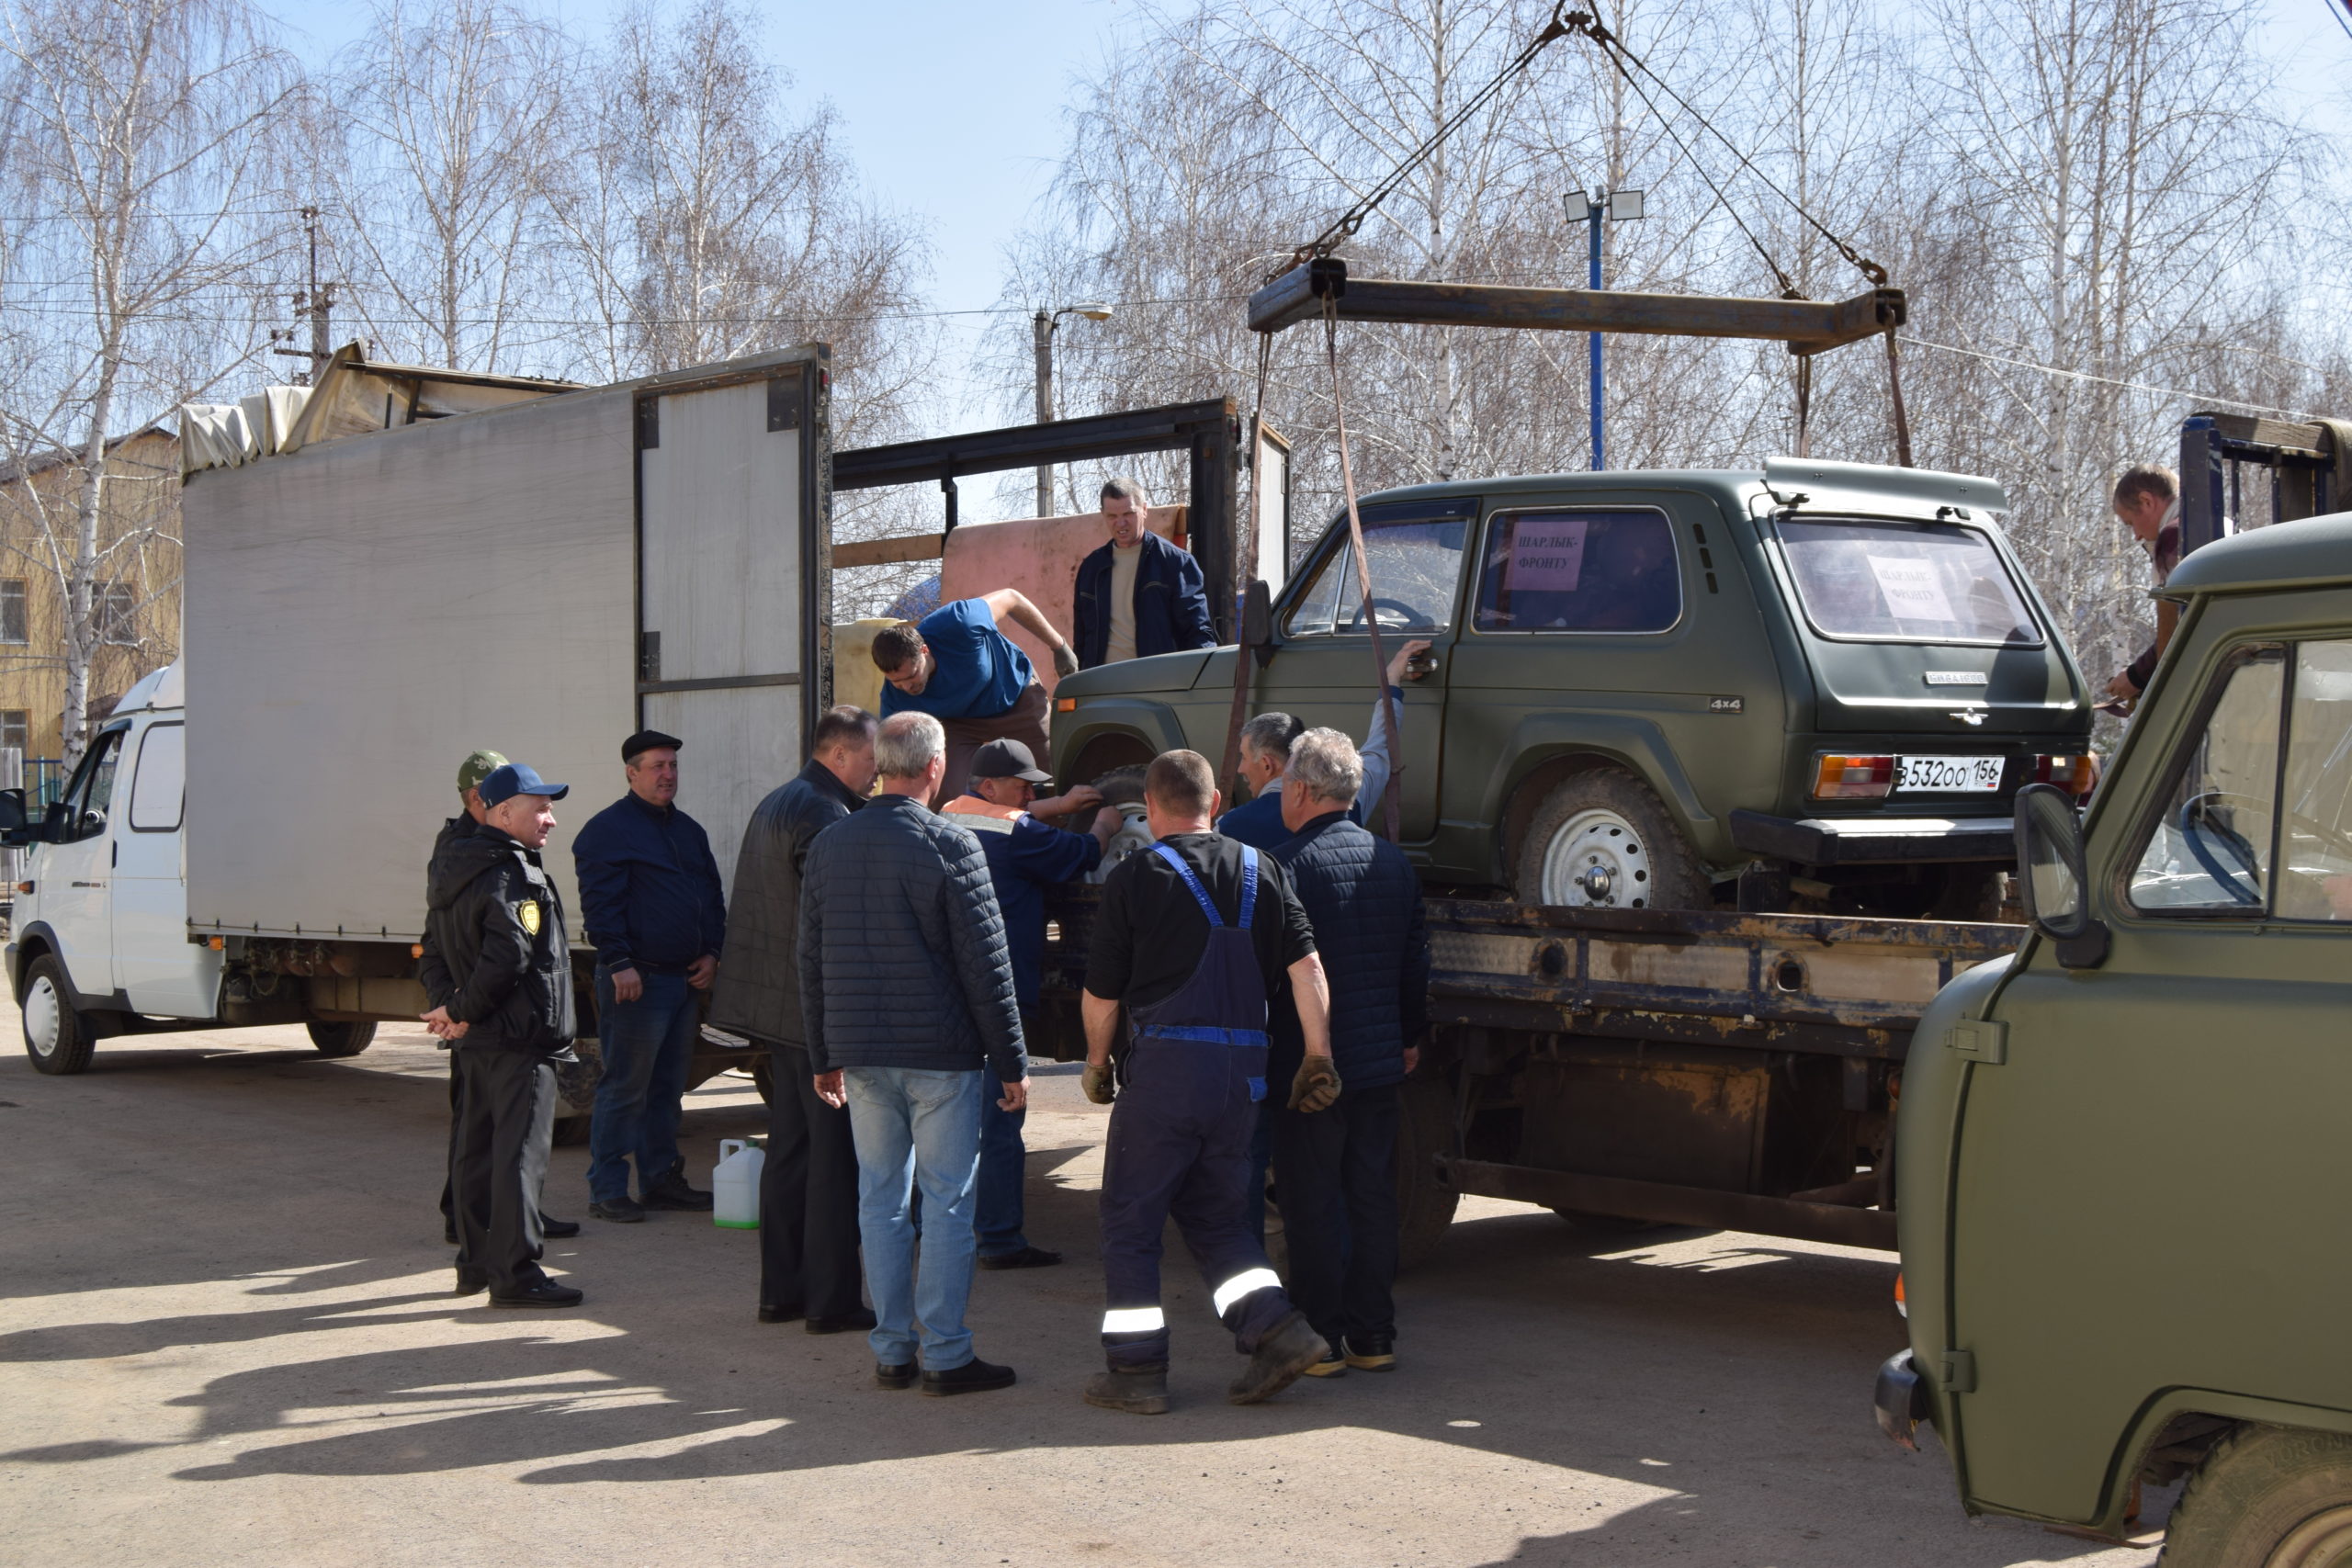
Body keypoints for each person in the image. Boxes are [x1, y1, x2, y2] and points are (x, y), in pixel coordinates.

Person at [1078, 748, 1340, 1416]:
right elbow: (1307, 970)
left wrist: (1097, 1062)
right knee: (1218, 1220)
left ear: (1153, 808)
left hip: (1167, 1075)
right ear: (1215, 802)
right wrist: (1317, 1054)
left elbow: (1102, 996)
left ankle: (1136, 1371)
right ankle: (1279, 1332)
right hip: (1240, 1080)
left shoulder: (1136, 877)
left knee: (1130, 1222)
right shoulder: (1264, 867)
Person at [797, 711, 1029, 1396]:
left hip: (863, 1052)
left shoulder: (831, 844)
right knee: (949, 1201)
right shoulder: (951, 844)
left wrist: (823, 1052)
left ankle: (894, 1349)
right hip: (941, 1054)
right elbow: (989, 965)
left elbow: (809, 959)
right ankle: (947, 1354)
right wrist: (1012, 1061)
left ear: (879, 765)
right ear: (935, 769)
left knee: (882, 1200)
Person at [708, 706, 879, 1334]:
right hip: (814, 1017)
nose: (876, 769)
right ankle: (831, 1300)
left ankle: (781, 1292)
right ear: (839, 753)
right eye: (869, 756)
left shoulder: (782, 800)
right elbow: (828, 927)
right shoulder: (824, 813)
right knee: (832, 1163)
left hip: (780, 1014)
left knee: (790, 1157)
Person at [1267, 728, 1431, 1377]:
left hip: (1310, 1066)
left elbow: (1271, 975)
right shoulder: (1395, 863)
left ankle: (1323, 1337)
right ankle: (1374, 1333)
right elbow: (1414, 965)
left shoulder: (1283, 866)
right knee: (1370, 1194)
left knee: (1310, 1199)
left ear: (1302, 789)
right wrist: (1409, 1037)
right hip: (1378, 1061)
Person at [941, 738, 1119, 1270]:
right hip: (999, 994)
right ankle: (998, 1239)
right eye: (1022, 785)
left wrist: (1055, 806)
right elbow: (1081, 855)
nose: (1030, 793)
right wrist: (1107, 823)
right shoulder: (1019, 834)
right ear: (991, 786)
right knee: (1001, 1116)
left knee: (947, 1119)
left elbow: (1007, 814)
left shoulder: (948, 815)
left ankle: (938, 1229)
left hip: (947, 993)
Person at [418, 762, 584, 1308]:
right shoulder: (514, 873)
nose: (550, 819)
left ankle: (474, 1264)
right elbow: (508, 955)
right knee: (518, 1157)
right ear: (503, 812)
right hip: (518, 1039)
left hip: (478, 1040)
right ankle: (514, 1274)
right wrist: (459, 1009)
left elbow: (433, 948)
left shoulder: (453, 865)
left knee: (476, 1153)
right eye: (540, 808)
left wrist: (450, 1009)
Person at [571, 729, 728, 1223]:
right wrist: (619, 963)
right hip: (637, 981)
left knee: (666, 1087)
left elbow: (711, 898)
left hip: (684, 980)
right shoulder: (607, 831)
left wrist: (712, 953)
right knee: (625, 1086)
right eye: (657, 766)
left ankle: (661, 1181)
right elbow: (601, 907)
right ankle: (607, 1188)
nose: (667, 774)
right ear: (631, 772)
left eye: (673, 766)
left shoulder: (688, 831)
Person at [873, 589, 1080, 809]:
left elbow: (1012, 598)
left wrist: (1059, 646)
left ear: (925, 651)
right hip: (956, 722)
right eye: (897, 682)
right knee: (947, 793)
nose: (907, 686)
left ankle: (1061, 836)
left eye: (912, 675)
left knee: (1052, 777)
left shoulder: (960, 622)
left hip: (1013, 696)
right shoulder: (895, 698)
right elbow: (889, 751)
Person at [1071, 477, 1216, 669]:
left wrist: (1206, 677)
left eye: (1128, 513)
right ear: (1102, 515)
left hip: (1157, 682)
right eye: (1112, 516)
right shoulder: (1091, 568)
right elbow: (1081, 637)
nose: (1121, 523)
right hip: (1101, 683)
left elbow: (1197, 630)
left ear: (1144, 510)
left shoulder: (1174, 562)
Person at [2108, 465, 2185, 707]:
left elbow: (2178, 626)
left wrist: (2136, 677)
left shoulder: (2174, 536)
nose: (2136, 536)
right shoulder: (2220, 522)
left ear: (2146, 501)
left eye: (2130, 523)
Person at [1214, 713, 1304, 852]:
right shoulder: (1338, 812)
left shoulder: (1230, 826)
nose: (1239, 769)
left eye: (1243, 757)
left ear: (1267, 765)